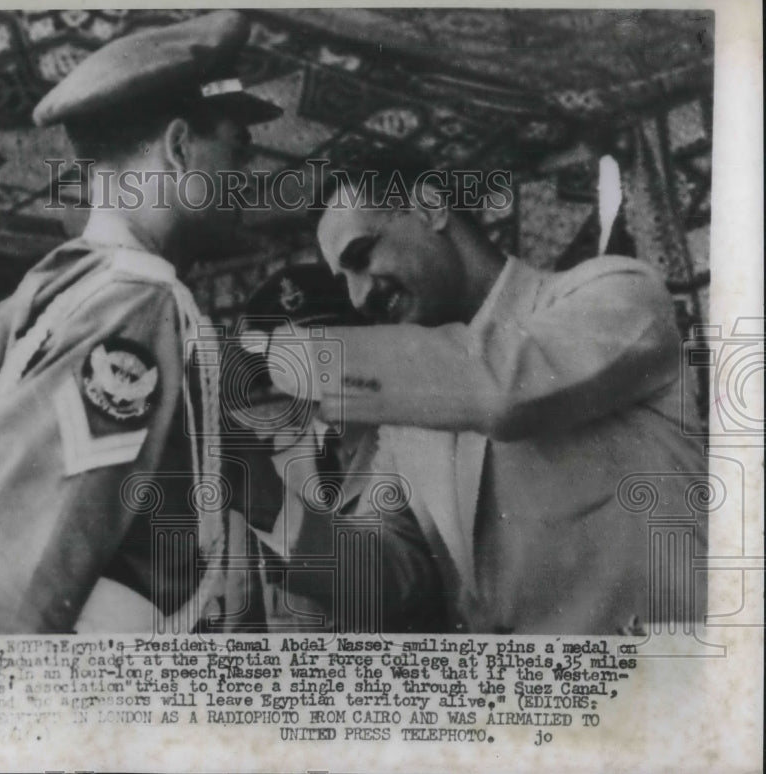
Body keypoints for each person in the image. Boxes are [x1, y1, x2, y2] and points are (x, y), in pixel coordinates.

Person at [0, 11, 282, 638]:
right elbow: (19, 573)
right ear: (181, 146)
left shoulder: (43, 294)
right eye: (238, 151)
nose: (249, 180)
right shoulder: (136, 304)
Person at [260, 167, 707, 634]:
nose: (357, 297)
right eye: (344, 279)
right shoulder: (411, 409)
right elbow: (390, 579)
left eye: (361, 255)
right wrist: (263, 500)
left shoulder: (617, 293)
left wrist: (266, 356)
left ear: (430, 206)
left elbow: (500, 390)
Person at [227, 264, 447, 632]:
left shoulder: (415, 439)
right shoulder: (273, 460)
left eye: (327, 342)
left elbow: (398, 583)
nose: (313, 364)